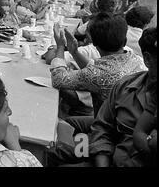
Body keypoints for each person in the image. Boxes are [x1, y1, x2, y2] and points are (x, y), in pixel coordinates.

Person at [50, 13, 147, 119]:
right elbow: (95, 68)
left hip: (107, 130)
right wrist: (74, 52)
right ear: (124, 41)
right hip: (131, 125)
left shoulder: (98, 74)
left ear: (94, 43)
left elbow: (58, 79)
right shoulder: (136, 59)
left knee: (65, 124)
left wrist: (60, 46)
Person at [90, 27, 157, 167]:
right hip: (109, 159)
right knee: (55, 150)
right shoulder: (125, 85)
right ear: (148, 59)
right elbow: (102, 128)